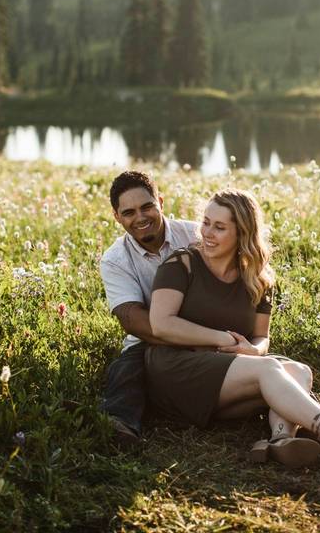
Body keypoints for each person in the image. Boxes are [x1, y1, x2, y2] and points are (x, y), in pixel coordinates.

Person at [146, 188, 320, 469]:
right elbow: (161, 324)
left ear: (242, 233)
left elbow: (261, 337)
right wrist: (223, 339)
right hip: (176, 371)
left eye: (219, 227)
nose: (207, 232)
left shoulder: (258, 279)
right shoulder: (181, 264)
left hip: (227, 376)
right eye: (206, 222)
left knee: (299, 370)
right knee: (269, 369)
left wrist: (252, 349)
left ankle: (281, 441)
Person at [98, 171, 201, 443]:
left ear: (161, 202)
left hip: (204, 324)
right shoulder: (115, 260)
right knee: (128, 367)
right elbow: (131, 319)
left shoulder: (195, 235)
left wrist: (206, 336)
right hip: (150, 336)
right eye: (129, 212)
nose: (140, 218)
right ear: (117, 217)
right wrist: (182, 341)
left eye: (147, 207)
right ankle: (120, 423)